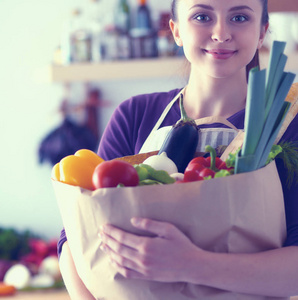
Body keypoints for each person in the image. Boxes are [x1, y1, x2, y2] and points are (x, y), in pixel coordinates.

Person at [58, 0, 298, 298]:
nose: (221, 33)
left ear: (262, 33)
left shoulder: (286, 125)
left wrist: (191, 265)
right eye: (201, 16)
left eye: (239, 17)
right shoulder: (135, 115)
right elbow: (77, 234)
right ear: (176, 31)